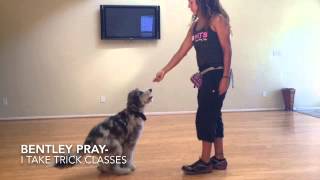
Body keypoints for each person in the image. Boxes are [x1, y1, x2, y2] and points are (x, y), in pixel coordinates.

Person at [153, 0, 232, 175]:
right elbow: (181, 51)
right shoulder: (195, 27)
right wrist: (164, 70)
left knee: (205, 116)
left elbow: (227, 50)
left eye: (191, 2)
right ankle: (219, 158)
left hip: (218, 74)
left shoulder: (217, 20)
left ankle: (205, 161)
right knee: (214, 115)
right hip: (206, 75)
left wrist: (225, 77)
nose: (189, 6)